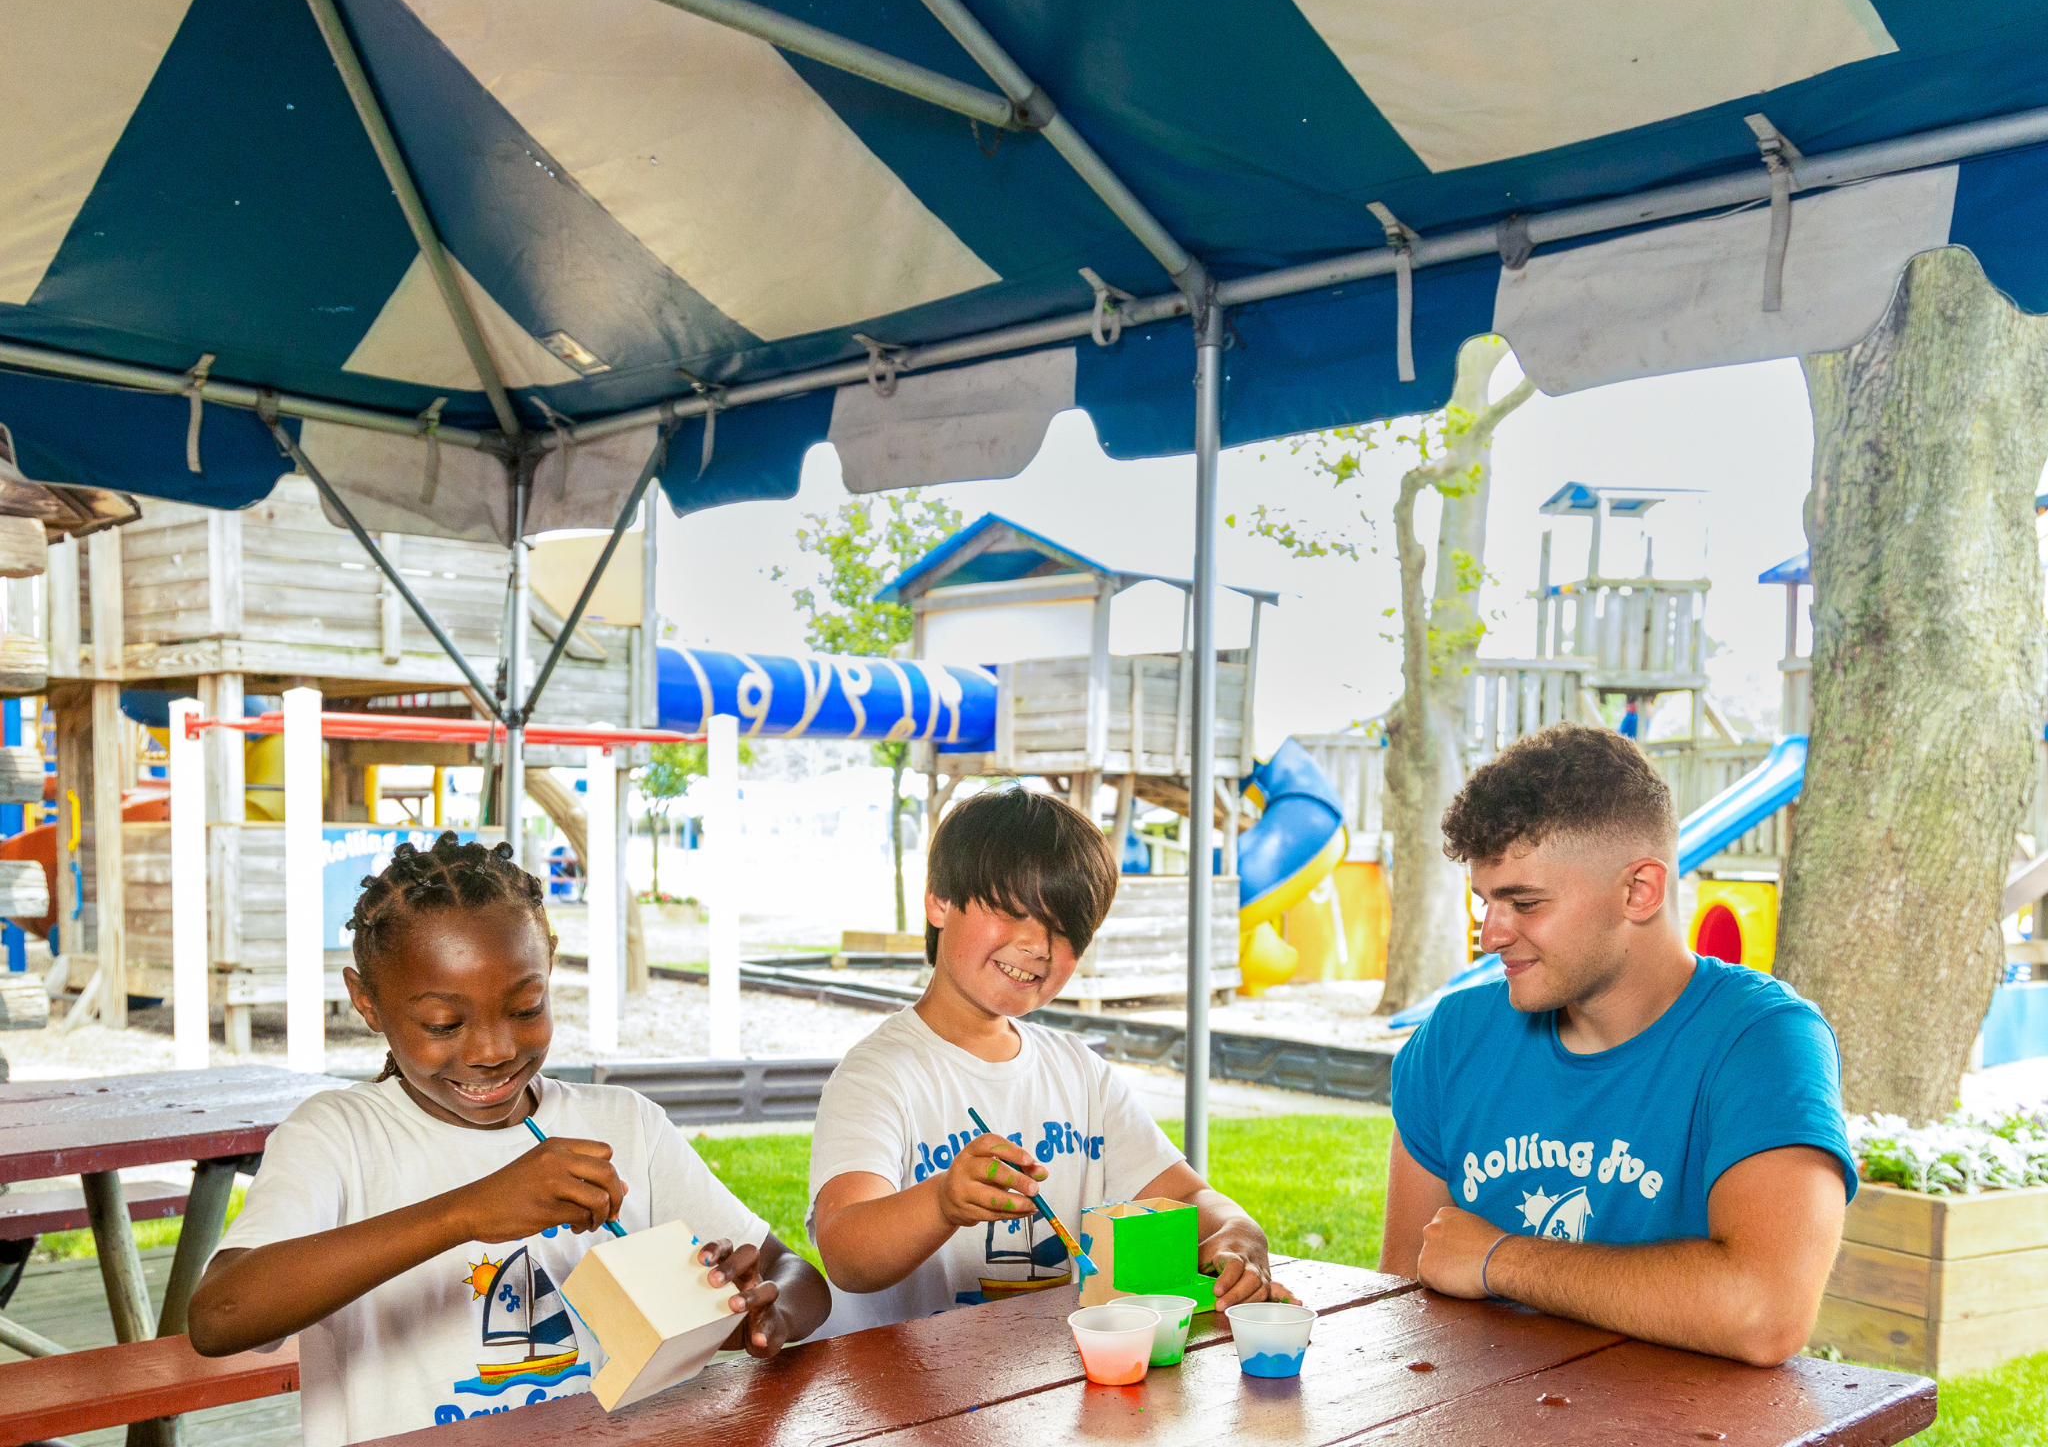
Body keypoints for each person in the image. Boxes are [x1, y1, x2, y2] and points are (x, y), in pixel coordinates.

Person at [188, 834, 828, 1445]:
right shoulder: (338, 1138)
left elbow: (795, 1274)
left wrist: (766, 1316)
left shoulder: (625, 1125)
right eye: (443, 1023)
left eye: (526, 1009)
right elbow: (218, 1317)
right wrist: (466, 1212)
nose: (493, 1050)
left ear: (548, 963)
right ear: (368, 1002)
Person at [1378, 724, 1855, 1367]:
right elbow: (1406, 1290)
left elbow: (1763, 1311)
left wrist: (1499, 1259)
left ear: (1639, 891)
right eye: (1486, 902)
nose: (1491, 935)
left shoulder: (1764, 1040)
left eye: (1525, 902)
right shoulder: (1455, 1034)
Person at [808, 788, 1291, 1335]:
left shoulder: (1080, 1072)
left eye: (1065, 930)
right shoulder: (878, 1075)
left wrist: (1238, 1230)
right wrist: (942, 1201)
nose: (1037, 945)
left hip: (1046, 1390)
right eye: (1015, 911)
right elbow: (846, 1252)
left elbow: (1186, 1196)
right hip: (907, 1404)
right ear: (939, 900)